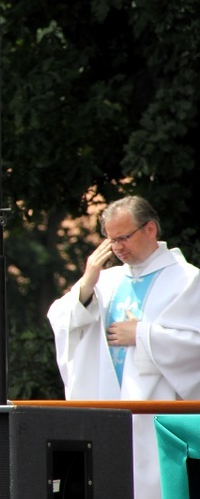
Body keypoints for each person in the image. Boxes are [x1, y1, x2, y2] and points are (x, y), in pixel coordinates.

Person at [48, 195, 200, 499]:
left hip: (156, 410)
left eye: (123, 237)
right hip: (108, 404)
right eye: (110, 240)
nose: (117, 247)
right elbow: (62, 321)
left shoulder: (187, 280)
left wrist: (143, 335)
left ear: (150, 229)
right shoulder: (107, 281)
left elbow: (195, 346)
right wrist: (87, 284)